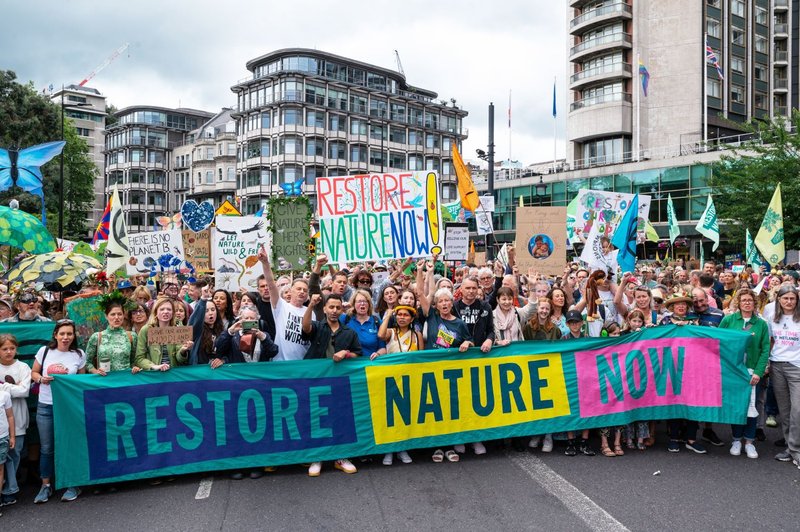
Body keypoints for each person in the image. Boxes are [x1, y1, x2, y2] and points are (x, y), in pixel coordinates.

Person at [302, 293, 361, 476]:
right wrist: (311, 305)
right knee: (317, 420)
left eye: (338, 308)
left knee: (339, 419)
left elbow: (358, 354)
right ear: (325, 309)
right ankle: (317, 457)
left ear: (342, 310)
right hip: (317, 382)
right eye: (331, 307)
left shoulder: (349, 332)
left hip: (339, 384)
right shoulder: (318, 327)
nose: (334, 311)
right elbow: (305, 328)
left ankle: (340, 457)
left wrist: (346, 353)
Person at [30, 320, 86, 503]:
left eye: (69, 334)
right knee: (47, 448)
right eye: (62, 333)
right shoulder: (44, 351)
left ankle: (72, 483)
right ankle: (45, 485)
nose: (66, 337)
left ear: (74, 336)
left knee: (69, 445)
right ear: (55, 334)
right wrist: (40, 380)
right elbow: (34, 373)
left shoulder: (78, 354)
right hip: (46, 405)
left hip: (68, 408)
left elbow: (82, 380)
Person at [719, 288, 770, 459]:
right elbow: (718, 341)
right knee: (736, 406)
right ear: (738, 303)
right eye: (743, 300)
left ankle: (749, 442)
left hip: (751, 371)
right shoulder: (729, 320)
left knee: (751, 407)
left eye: (750, 300)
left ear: (755, 303)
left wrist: (758, 372)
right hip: (733, 371)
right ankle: (736, 439)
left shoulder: (761, 324)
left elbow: (765, 350)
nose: (747, 303)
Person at [659, 292, 705, 454]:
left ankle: (691, 438)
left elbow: (702, 342)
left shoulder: (695, 322)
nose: (680, 306)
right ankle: (673, 438)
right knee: (674, 401)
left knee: (693, 402)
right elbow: (658, 342)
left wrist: (690, 329)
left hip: (693, 368)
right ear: (672, 307)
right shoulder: (665, 322)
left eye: (684, 304)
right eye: (677, 304)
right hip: (672, 367)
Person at [258, 246, 311, 360]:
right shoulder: (281, 306)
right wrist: (265, 263)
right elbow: (271, 284)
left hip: (303, 365)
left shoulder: (310, 312)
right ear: (290, 291)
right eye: (298, 289)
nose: (302, 292)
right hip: (281, 363)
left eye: (305, 290)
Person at [768, 285, 800, 467]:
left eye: (792, 298)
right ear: (779, 299)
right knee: (786, 411)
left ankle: (796, 450)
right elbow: (770, 341)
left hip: (797, 367)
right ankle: (791, 447)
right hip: (777, 366)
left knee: (798, 411)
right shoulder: (771, 317)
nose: (789, 302)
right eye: (785, 298)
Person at [0, 335, 28, 506]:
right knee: (4, 458)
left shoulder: (23, 367)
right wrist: (14, 386)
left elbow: (24, 391)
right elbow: (17, 390)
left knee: (14, 454)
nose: (9, 352)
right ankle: (8, 488)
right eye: (4, 349)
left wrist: (3, 386)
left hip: (18, 417)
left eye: (12, 348)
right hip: (2, 423)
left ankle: (10, 489)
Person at [85, 291, 139, 375]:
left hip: (126, 381)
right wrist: (96, 371)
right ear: (106, 316)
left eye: (119, 314)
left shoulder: (132, 336)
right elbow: (87, 362)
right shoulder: (97, 337)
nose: (116, 318)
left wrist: (135, 367)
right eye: (113, 314)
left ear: (123, 315)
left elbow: (135, 361)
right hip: (105, 382)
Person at [134, 297, 193, 371]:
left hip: (173, 373)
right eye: (162, 309)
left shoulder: (178, 328)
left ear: (173, 313)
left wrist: (183, 350)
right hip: (154, 374)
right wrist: (154, 366)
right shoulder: (146, 330)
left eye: (169, 309)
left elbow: (180, 360)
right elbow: (139, 358)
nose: (165, 312)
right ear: (156, 312)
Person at [454, 276, 494, 353]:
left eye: (474, 288)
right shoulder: (454, 307)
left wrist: (489, 339)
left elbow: (491, 330)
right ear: (461, 289)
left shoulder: (485, 306)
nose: (471, 291)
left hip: (480, 352)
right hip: (458, 352)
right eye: (468, 288)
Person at [342, 290, 386, 360]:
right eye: (359, 301)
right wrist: (341, 309)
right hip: (349, 365)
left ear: (369, 304)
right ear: (353, 304)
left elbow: (383, 348)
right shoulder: (345, 319)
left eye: (365, 301)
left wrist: (378, 354)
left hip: (370, 365)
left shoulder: (376, 321)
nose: (362, 304)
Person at [187, 288, 225, 368]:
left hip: (218, 372)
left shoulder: (222, 330)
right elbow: (194, 321)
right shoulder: (197, 331)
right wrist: (203, 299)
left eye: (213, 310)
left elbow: (228, 352)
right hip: (200, 372)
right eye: (206, 311)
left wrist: (223, 360)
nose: (210, 313)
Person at [0, 386, 13, 516]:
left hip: (2, 438)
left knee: (0, 470)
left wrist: (12, 436)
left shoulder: (4, 395)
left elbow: (10, 416)